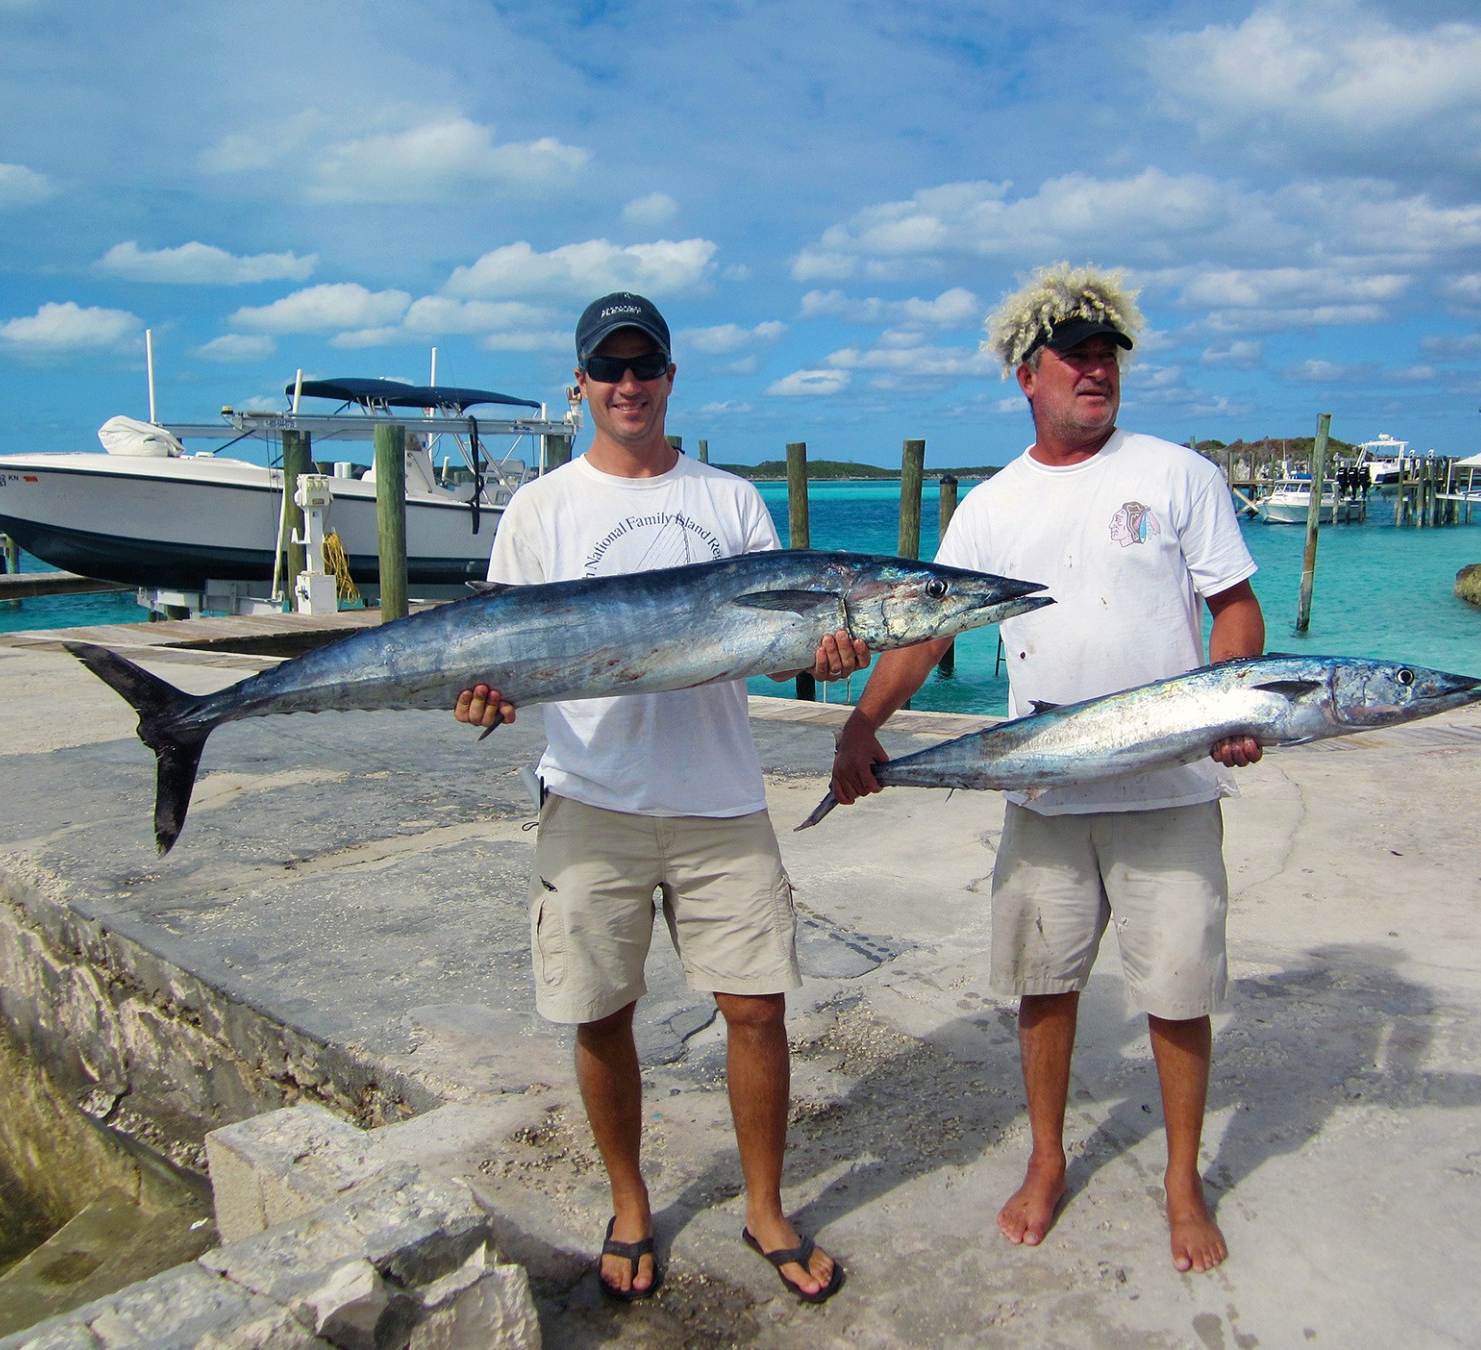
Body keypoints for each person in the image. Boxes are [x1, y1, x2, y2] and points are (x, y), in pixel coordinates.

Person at [826, 263, 1265, 1274]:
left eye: (1107, 353)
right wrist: (863, 723)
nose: (1095, 370)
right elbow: (926, 634)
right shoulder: (989, 506)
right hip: (1044, 784)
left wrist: (1238, 698)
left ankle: (1182, 1178)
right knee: (1044, 981)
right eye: (1074, 355)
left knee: (1179, 987)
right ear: (1027, 373)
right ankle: (1046, 1157)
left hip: (1171, 785)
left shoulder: (1177, 475)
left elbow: (1234, 605)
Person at [456, 292, 860, 1303]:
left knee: (756, 1009)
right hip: (591, 796)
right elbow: (496, 656)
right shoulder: (539, 509)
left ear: (672, 378)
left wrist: (824, 653)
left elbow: (768, 654)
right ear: (581, 384)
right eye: (610, 369)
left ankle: (764, 1207)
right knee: (600, 1012)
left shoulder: (731, 503)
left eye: (646, 368)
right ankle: (632, 1204)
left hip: (720, 797)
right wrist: (479, 699)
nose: (628, 385)